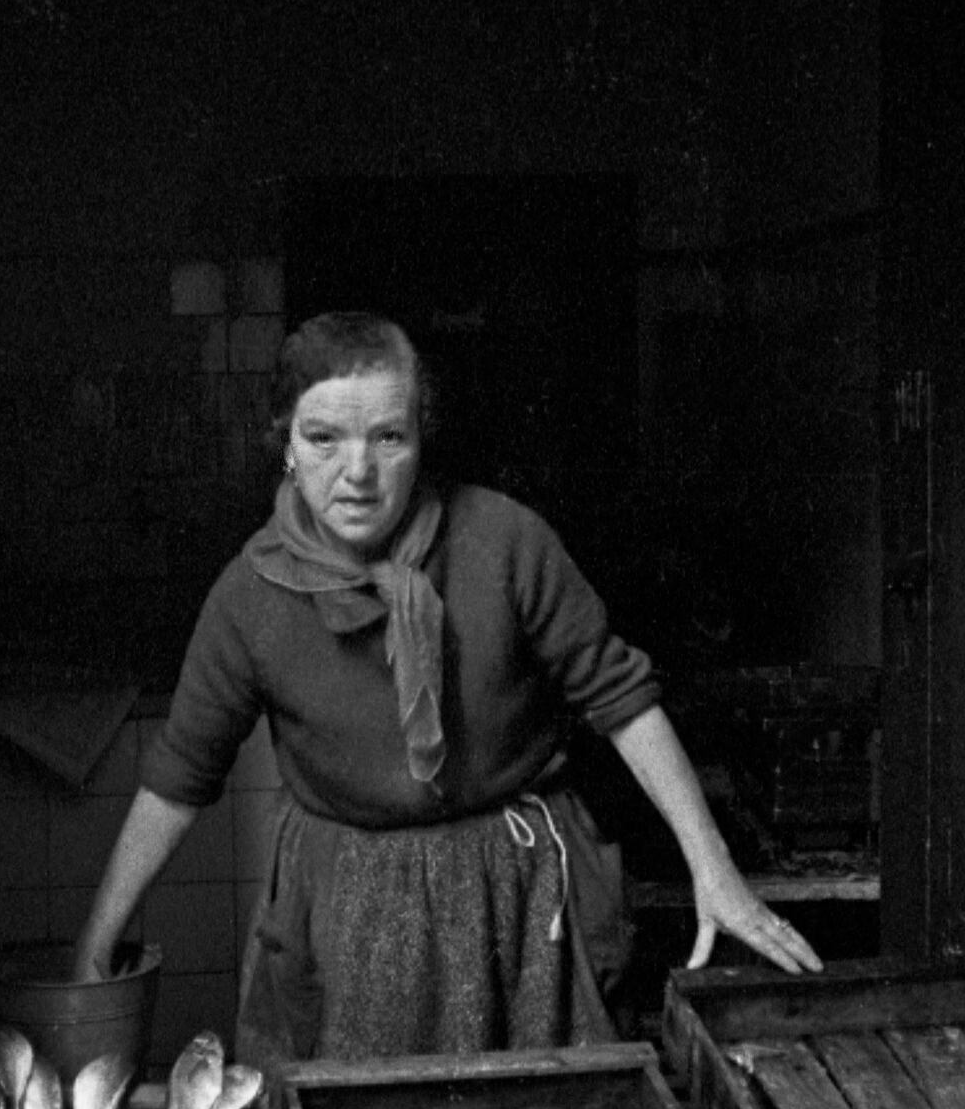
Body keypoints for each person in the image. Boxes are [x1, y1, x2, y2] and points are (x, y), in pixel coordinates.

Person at [72, 310, 817, 1062]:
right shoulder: (248, 597)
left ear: (422, 438)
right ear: (285, 444)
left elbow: (622, 702)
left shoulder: (505, 541)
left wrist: (714, 869)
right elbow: (179, 777)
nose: (356, 473)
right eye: (323, 437)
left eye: (388, 437)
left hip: (517, 896)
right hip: (346, 907)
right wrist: (96, 946)